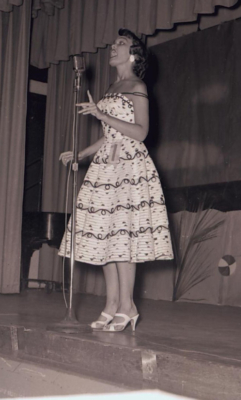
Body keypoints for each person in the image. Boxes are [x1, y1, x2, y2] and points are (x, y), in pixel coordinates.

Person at [59, 29, 173, 332]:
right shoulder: (112, 87)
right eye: (113, 43)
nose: (113, 47)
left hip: (129, 167)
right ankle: (111, 305)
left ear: (134, 54)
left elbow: (140, 132)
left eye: (120, 44)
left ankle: (127, 305)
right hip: (105, 166)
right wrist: (81, 154)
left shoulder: (137, 86)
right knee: (104, 236)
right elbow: (109, 135)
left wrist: (102, 114)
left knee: (122, 236)